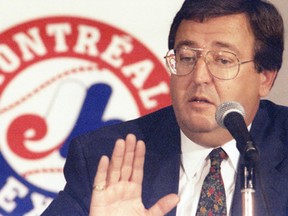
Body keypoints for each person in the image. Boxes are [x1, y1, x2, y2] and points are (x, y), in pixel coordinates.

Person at [42, 0, 288, 215]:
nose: (199, 76)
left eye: (223, 60)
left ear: (265, 77)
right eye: (186, 58)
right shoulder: (106, 160)